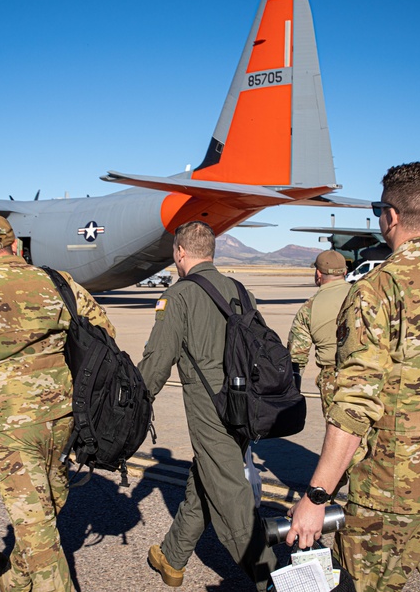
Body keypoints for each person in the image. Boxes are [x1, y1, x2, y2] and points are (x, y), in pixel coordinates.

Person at [287, 162, 420, 591]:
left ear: (392, 216)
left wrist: (316, 497)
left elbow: (354, 404)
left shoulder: (376, 289)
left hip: (389, 499)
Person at [0, 214, 115, 592]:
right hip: (64, 415)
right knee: (45, 506)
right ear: (15, 246)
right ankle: (14, 577)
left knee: (37, 523)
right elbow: (104, 334)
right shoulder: (58, 282)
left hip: (10, 423)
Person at [139, 221, 277, 590]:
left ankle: (278, 581)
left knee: (232, 500)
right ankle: (173, 555)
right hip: (246, 407)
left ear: (180, 252)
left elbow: (157, 359)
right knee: (209, 476)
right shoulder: (239, 289)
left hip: (211, 409)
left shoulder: (180, 295)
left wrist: (135, 404)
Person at [287, 249, 352, 420]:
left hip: (333, 380)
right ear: (345, 272)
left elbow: (296, 357)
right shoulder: (366, 295)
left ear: (318, 274)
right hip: (372, 375)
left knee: (339, 435)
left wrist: (292, 393)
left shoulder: (309, 308)